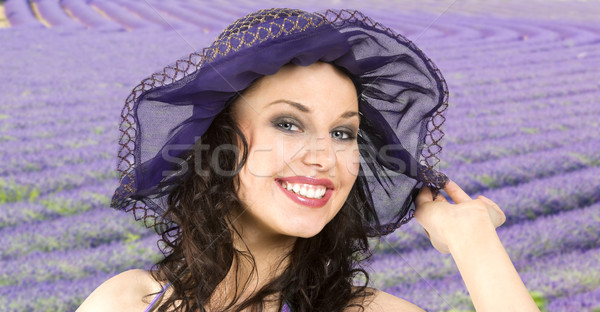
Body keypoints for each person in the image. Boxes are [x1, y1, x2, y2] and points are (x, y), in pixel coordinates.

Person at [76, 8, 539, 312]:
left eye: (342, 133)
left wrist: (472, 238)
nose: (323, 157)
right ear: (218, 140)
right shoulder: (131, 302)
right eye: (288, 123)